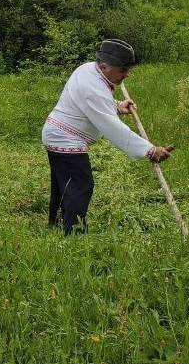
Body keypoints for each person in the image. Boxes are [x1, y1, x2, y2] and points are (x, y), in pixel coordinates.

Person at [42, 39, 173, 235]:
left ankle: (58, 222)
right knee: (80, 185)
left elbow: (93, 106)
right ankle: (74, 233)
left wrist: (117, 106)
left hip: (57, 132)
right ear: (104, 66)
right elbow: (114, 129)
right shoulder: (92, 88)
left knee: (65, 182)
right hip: (65, 137)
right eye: (122, 70)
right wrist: (150, 150)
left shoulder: (88, 70)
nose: (126, 74)